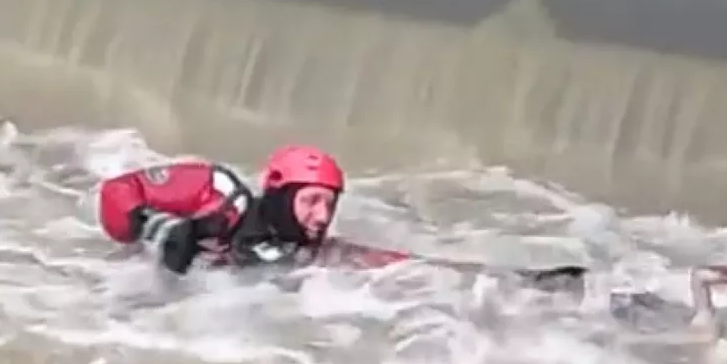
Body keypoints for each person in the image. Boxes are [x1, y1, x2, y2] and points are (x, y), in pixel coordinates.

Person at [95, 144, 586, 288]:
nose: (321, 214)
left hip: (225, 327)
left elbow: (396, 264)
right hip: (126, 304)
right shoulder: (219, 193)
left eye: (330, 203)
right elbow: (117, 192)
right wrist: (150, 226)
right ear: (280, 192)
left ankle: (532, 283)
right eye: (311, 200)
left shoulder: (313, 253)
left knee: (404, 265)